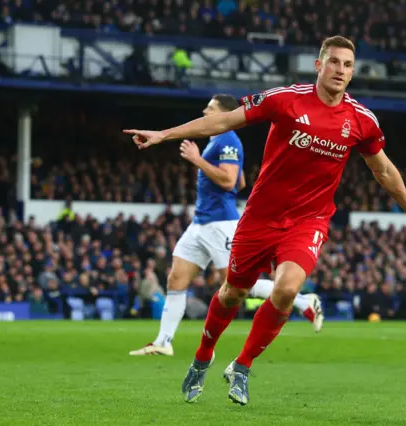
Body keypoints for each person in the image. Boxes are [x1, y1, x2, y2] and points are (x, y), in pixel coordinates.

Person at [123, 35, 406, 406]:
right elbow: (222, 121)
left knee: (288, 289)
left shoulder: (361, 120)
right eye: (334, 62)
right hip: (261, 217)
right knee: (233, 292)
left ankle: (241, 367)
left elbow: (384, 171)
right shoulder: (285, 100)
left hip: (309, 220)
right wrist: (164, 134)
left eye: (347, 65)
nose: (340, 70)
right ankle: (202, 356)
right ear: (319, 65)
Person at [128, 94, 324, 357]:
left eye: (210, 109)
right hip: (201, 222)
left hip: (221, 222)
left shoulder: (228, 139)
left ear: (224, 114)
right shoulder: (219, 142)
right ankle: (164, 341)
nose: (205, 111)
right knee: (176, 278)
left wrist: (197, 160)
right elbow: (241, 181)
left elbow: (230, 181)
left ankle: (303, 302)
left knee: (235, 284)